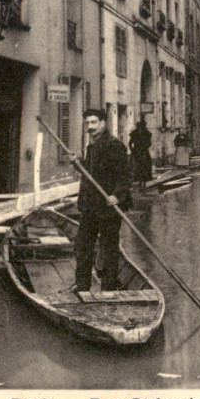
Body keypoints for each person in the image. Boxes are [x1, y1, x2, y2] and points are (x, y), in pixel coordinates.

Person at [72, 108, 132, 292]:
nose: (89, 127)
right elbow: (92, 174)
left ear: (103, 123)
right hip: (90, 206)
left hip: (108, 206)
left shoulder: (114, 145)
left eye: (93, 122)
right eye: (87, 123)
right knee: (83, 245)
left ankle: (108, 287)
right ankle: (82, 285)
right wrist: (77, 162)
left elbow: (126, 175)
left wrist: (117, 195)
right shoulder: (93, 146)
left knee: (109, 248)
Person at [128, 117, 153, 186]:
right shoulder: (134, 133)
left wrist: (145, 146)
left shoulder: (146, 133)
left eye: (141, 127)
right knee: (137, 166)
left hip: (144, 152)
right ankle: (138, 180)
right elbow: (130, 142)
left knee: (146, 165)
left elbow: (150, 143)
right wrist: (132, 150)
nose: (139, 129)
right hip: (136, 152)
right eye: (138, 127)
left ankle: (144, 180)